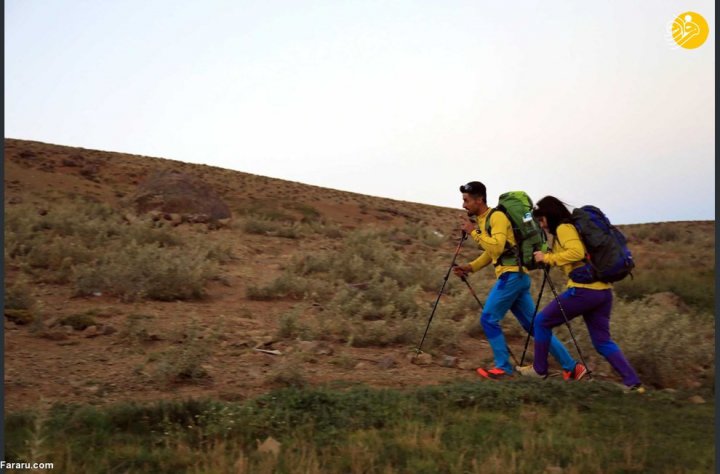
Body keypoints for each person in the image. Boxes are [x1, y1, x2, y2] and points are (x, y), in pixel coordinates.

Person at [453, 182, 585, 380]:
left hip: (512, 277)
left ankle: (503, 368)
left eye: (466, 200)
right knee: (534, 326)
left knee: (488, 319)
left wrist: (473, 232)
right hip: (517, 277)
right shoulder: (485, 220)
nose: (464, 205)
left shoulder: (496, 217)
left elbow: (496, 248)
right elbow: (494, 252)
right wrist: (470, 267)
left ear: (479, 200)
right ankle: (573, 367)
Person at [516, 195, 644, 392]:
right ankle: (633, 383)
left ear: (549, 216)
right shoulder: (571, 228)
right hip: (603, 293)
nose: (541, 225)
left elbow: (576, 253)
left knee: (541, 321)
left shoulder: (563, 228)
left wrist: (549, 258)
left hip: (584, 292)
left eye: (541, 220)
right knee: (602, 342)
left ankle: (539, 370)